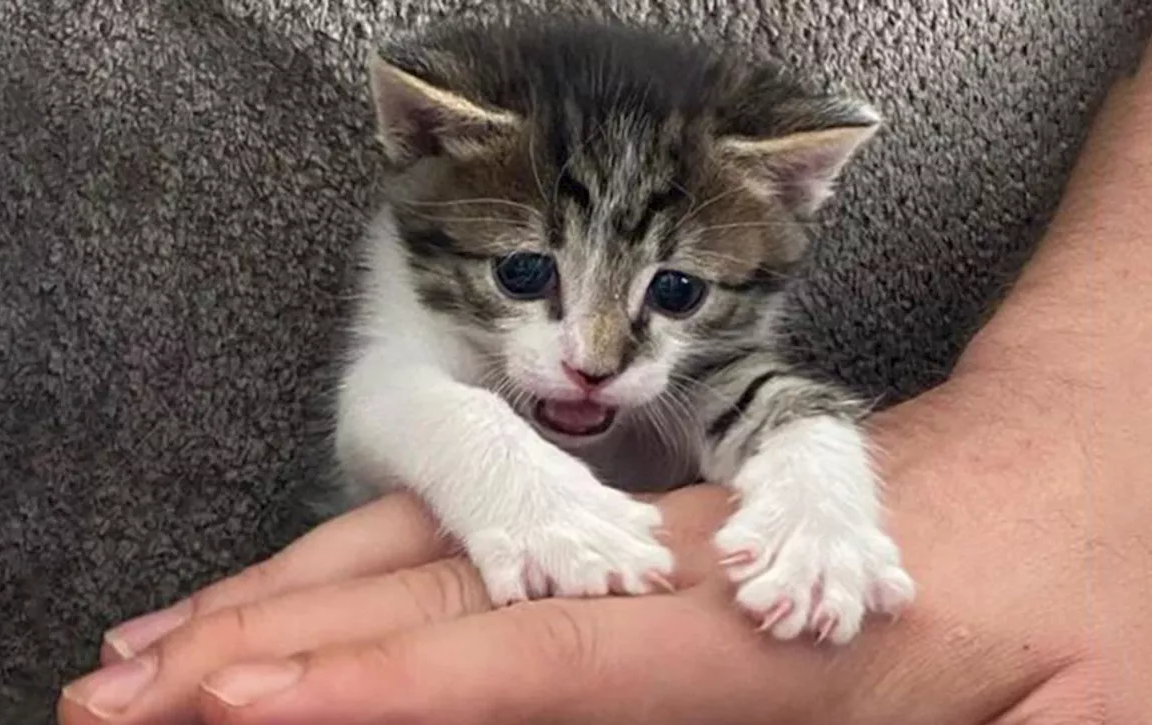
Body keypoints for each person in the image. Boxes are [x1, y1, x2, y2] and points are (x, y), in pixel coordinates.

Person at [58, 39, 1153, 725]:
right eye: (528, 274)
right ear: (422, 134)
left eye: (670, 294)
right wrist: (515, 486)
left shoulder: (715, 275)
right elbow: (384, 402)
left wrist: (822, 497)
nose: (592, 355)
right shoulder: (429, 229)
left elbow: (760, 400)